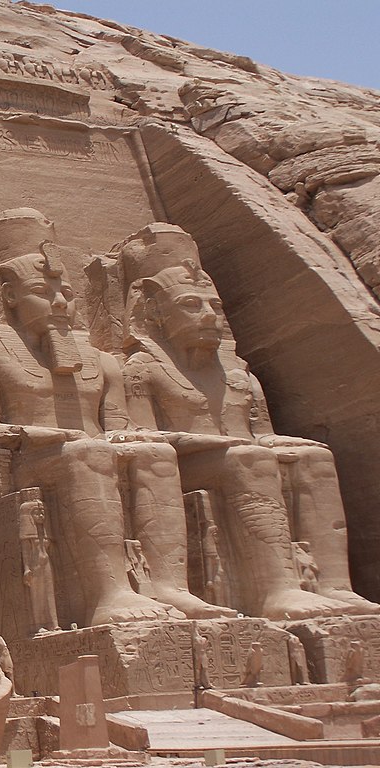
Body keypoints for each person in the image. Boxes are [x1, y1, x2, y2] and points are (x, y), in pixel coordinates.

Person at [0, 210, 230, 625]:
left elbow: (123, 429)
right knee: (87, 453)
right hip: (27, 465)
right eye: (44, 292)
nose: (61, 303)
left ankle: (170, 588)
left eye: (67, 293)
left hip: (87, 454)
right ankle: (109, 595)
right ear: (7, 296)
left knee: (155, 456)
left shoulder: (102, 363)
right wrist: (53, 435)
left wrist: (133, 440)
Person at [119, 223, 379, 619]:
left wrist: (279, 444)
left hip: (238, 458)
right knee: (248, 459)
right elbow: (144, 438)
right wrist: (229, 445)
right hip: (183, 467)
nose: (209, 316)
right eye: (191, 305)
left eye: (215, 307)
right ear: (154, 311)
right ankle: (277, 590)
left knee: (315, 459)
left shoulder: (240, 375)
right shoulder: (143, 367)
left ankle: (335, 586)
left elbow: (262, 435)